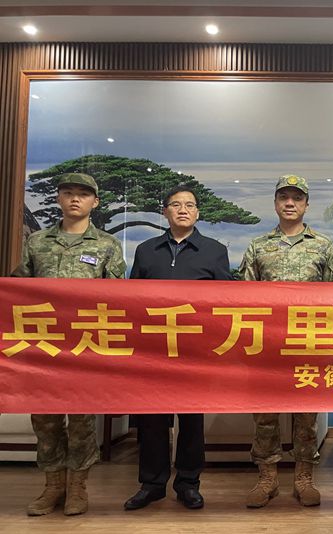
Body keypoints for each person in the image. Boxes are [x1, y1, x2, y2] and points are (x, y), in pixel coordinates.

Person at [11, 172, 126, 516]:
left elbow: (120, 296)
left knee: (81, 420)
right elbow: (18, 288)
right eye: (69, 193)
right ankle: (52, 486)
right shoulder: (37, 242)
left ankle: (78, 486)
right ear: (59, 198)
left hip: (84, 346)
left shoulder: (107, 245)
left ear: (95, 202)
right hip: (43, 346)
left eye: (83, 194)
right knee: (45, 418)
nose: (75, 199)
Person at [123, 185, 233, 511]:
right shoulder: (146, 250)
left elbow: (228, 301)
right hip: (153, 350)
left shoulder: (214, 251)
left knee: (191, 420)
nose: (183, 209)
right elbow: (130, 300)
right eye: (176, 204)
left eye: (189, 205)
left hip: (194, 351)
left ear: (198, 213)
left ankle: (188, 483)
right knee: (152, 420)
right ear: (165, 211)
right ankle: (152, 484)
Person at [239, 174, 333, 508]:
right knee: (265, 415)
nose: (290, 203)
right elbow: (243, 297)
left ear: (306, 204)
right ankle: (267, 478)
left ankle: (303, 478)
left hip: (308, 342)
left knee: (306, 416)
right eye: (284, 197)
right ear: (275, 203)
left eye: (297, 198)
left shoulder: (323, 246)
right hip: (266, 345)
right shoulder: (258, 246)